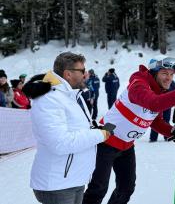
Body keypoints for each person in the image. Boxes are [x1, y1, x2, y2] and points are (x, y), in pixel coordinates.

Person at [83, 55, 175, 204]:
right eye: (164, 73)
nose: (169, 78)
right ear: (153, 72)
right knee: (98, 189)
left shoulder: (158, 91)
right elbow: (154, 104)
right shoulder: (138, 84)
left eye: (171, 74)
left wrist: (171, 131)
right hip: (105, 140)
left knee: (126, 188)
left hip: (126, 145)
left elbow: (154, 120)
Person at [22, 52, 113, 204]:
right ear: (68, 74)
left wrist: (95, 129)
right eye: (82, 71)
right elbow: (60, 143)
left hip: (73, 179)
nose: (86, 74)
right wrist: (99, 135)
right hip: (57, 184)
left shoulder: (71, 96)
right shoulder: (49, 99)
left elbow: (76, 128)